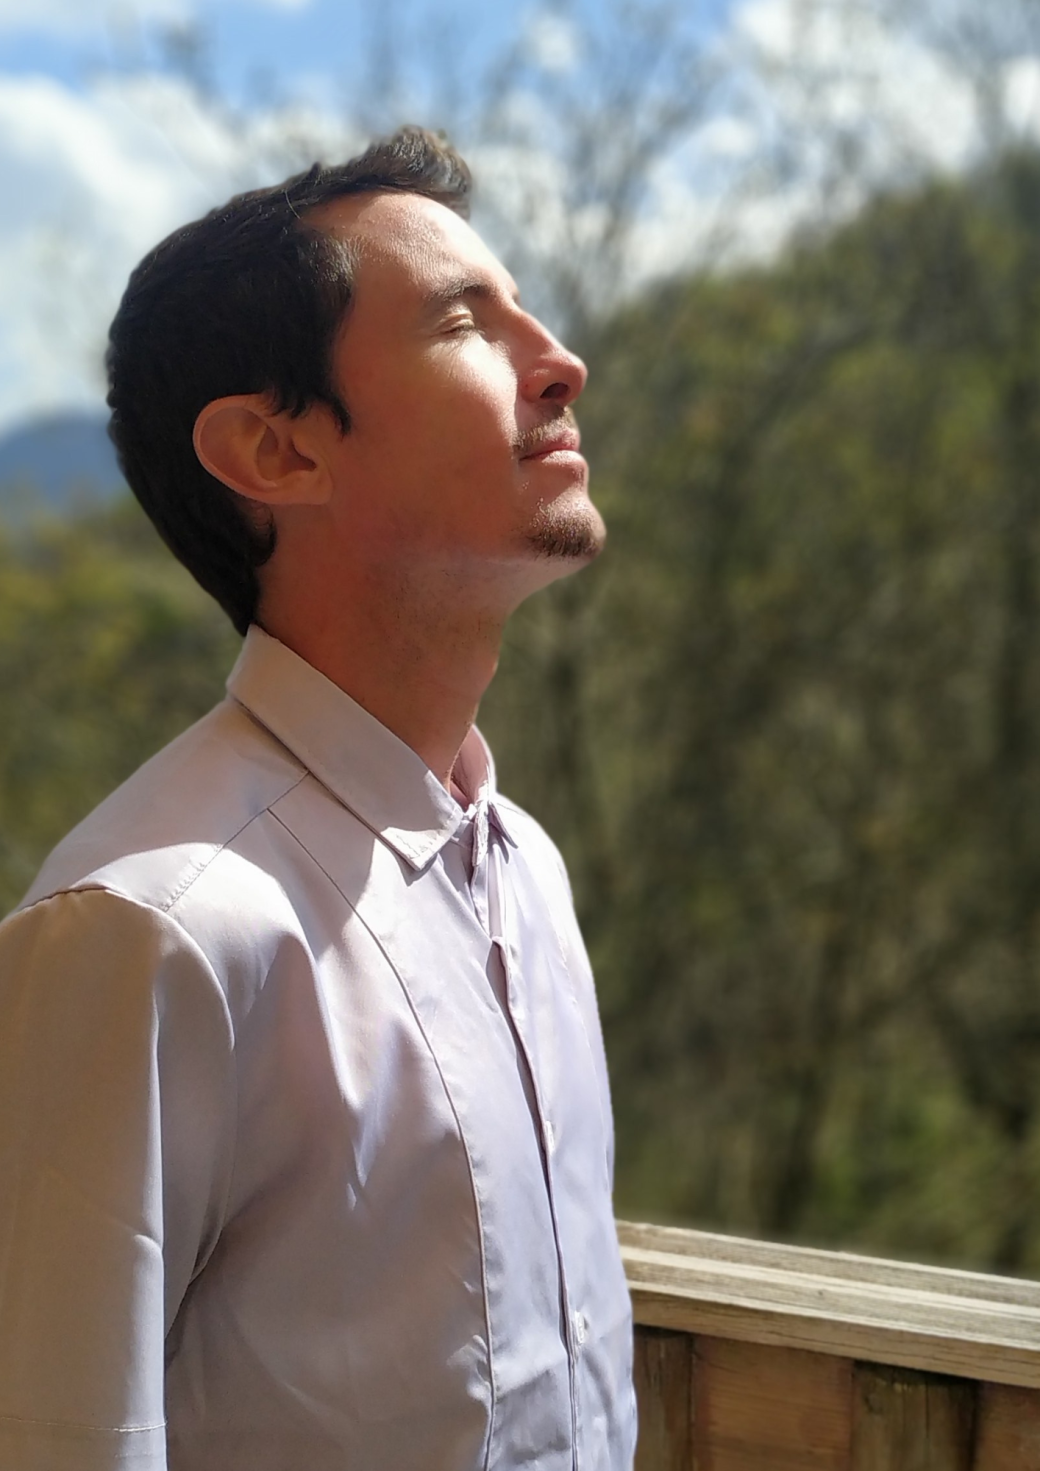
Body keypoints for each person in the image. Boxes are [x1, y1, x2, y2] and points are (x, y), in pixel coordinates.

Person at [0, 127, 636, 1471]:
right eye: (464, 323)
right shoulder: (147, 929)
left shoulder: (527, 868)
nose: (558, 361)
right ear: (275, 451)